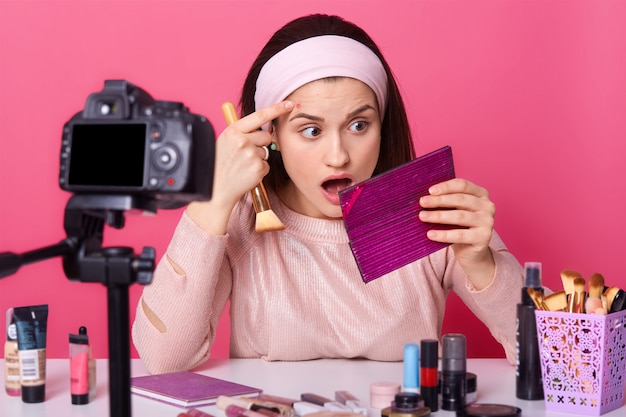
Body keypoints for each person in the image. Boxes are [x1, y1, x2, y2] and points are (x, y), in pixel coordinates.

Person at [132, 13, 523, 374]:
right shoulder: (244, 216)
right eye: (311, 130)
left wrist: (482, 263)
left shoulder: (429, 211)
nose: (338, 156)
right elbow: (163, 360)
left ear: (382, 126)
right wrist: (213, 201)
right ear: (273, 137)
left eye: (358, 125)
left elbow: (556, 360)